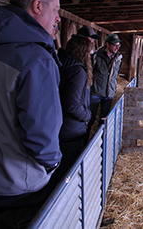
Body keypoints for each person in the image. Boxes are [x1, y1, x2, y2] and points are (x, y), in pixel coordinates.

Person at [0, 0, 62, 229]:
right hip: (17, 186)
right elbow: (41, 134)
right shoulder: (35, 59)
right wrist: (53, 163)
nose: (58, 19)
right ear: (38, 6)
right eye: (56, 10)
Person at [47, 34, 93, 191]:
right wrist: (87, 116)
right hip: (72, 130)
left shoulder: (59, 63)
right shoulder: (78, 72)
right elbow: (72, 104)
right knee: (66, 173)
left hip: (55, 125)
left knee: (55, 170)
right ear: (84, 52)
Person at [87, 33, 123, 138]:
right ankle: (85, 142)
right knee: (90, 118)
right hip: (95, 92)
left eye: (118, 45)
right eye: (114, 45)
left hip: (109, 93)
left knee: (104, 120)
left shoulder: (118, 58)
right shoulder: (96, 56)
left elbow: (115, 75)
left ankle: (100, 142)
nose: (117, 48)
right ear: (107, 44)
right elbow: (90, 72)